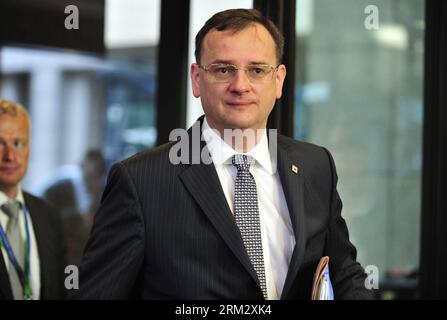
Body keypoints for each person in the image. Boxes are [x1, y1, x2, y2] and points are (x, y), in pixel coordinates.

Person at [73, 9, 373, 299]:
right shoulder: (140, 182)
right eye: (223, 69)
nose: (240, 86)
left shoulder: (316, 166)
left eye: (256, 70)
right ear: (196, 78)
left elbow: (344, 273)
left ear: (278, 80)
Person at [0, 99, 66, 300]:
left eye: (18, 143)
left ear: (29, 148)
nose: (10, 155)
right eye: (0, 143)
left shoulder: (49, 216)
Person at [41, 149, 106, 266]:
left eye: (97, 176)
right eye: (92, 175)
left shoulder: (98, 192)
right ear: (82, 164)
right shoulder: (59, 185)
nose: (94, 179)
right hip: (57, 250)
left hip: (79, 256)